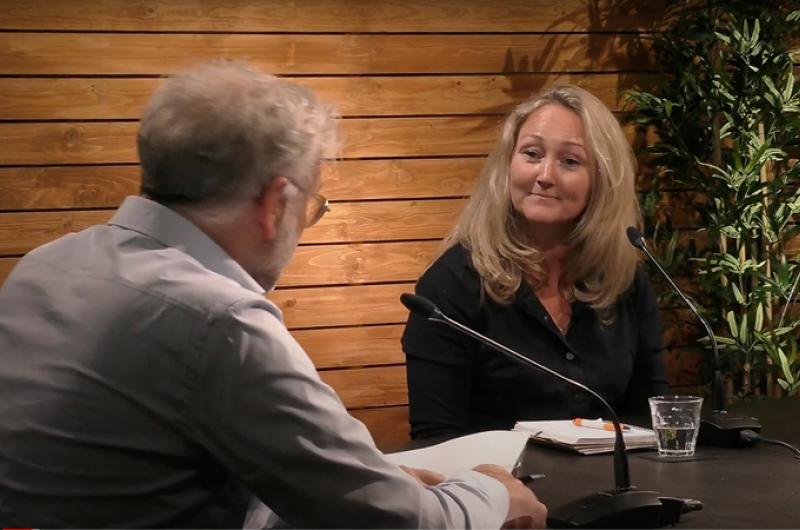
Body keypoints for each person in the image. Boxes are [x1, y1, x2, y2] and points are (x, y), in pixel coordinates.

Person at [0, 62, 547, 528]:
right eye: (312, 205)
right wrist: (494, 494)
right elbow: (401, 524)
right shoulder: (221, 321)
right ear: (276, 203)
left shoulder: (44, 266)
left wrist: (368, 482)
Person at [401, 85, 669, 440]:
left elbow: (651, 416)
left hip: (615, 473)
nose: (545, 175)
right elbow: (436, 436)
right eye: (531, 154)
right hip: (495, 475)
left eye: (570, 161)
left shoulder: (623, 279)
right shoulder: (452, 284)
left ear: (601, 181)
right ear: (508, 164)